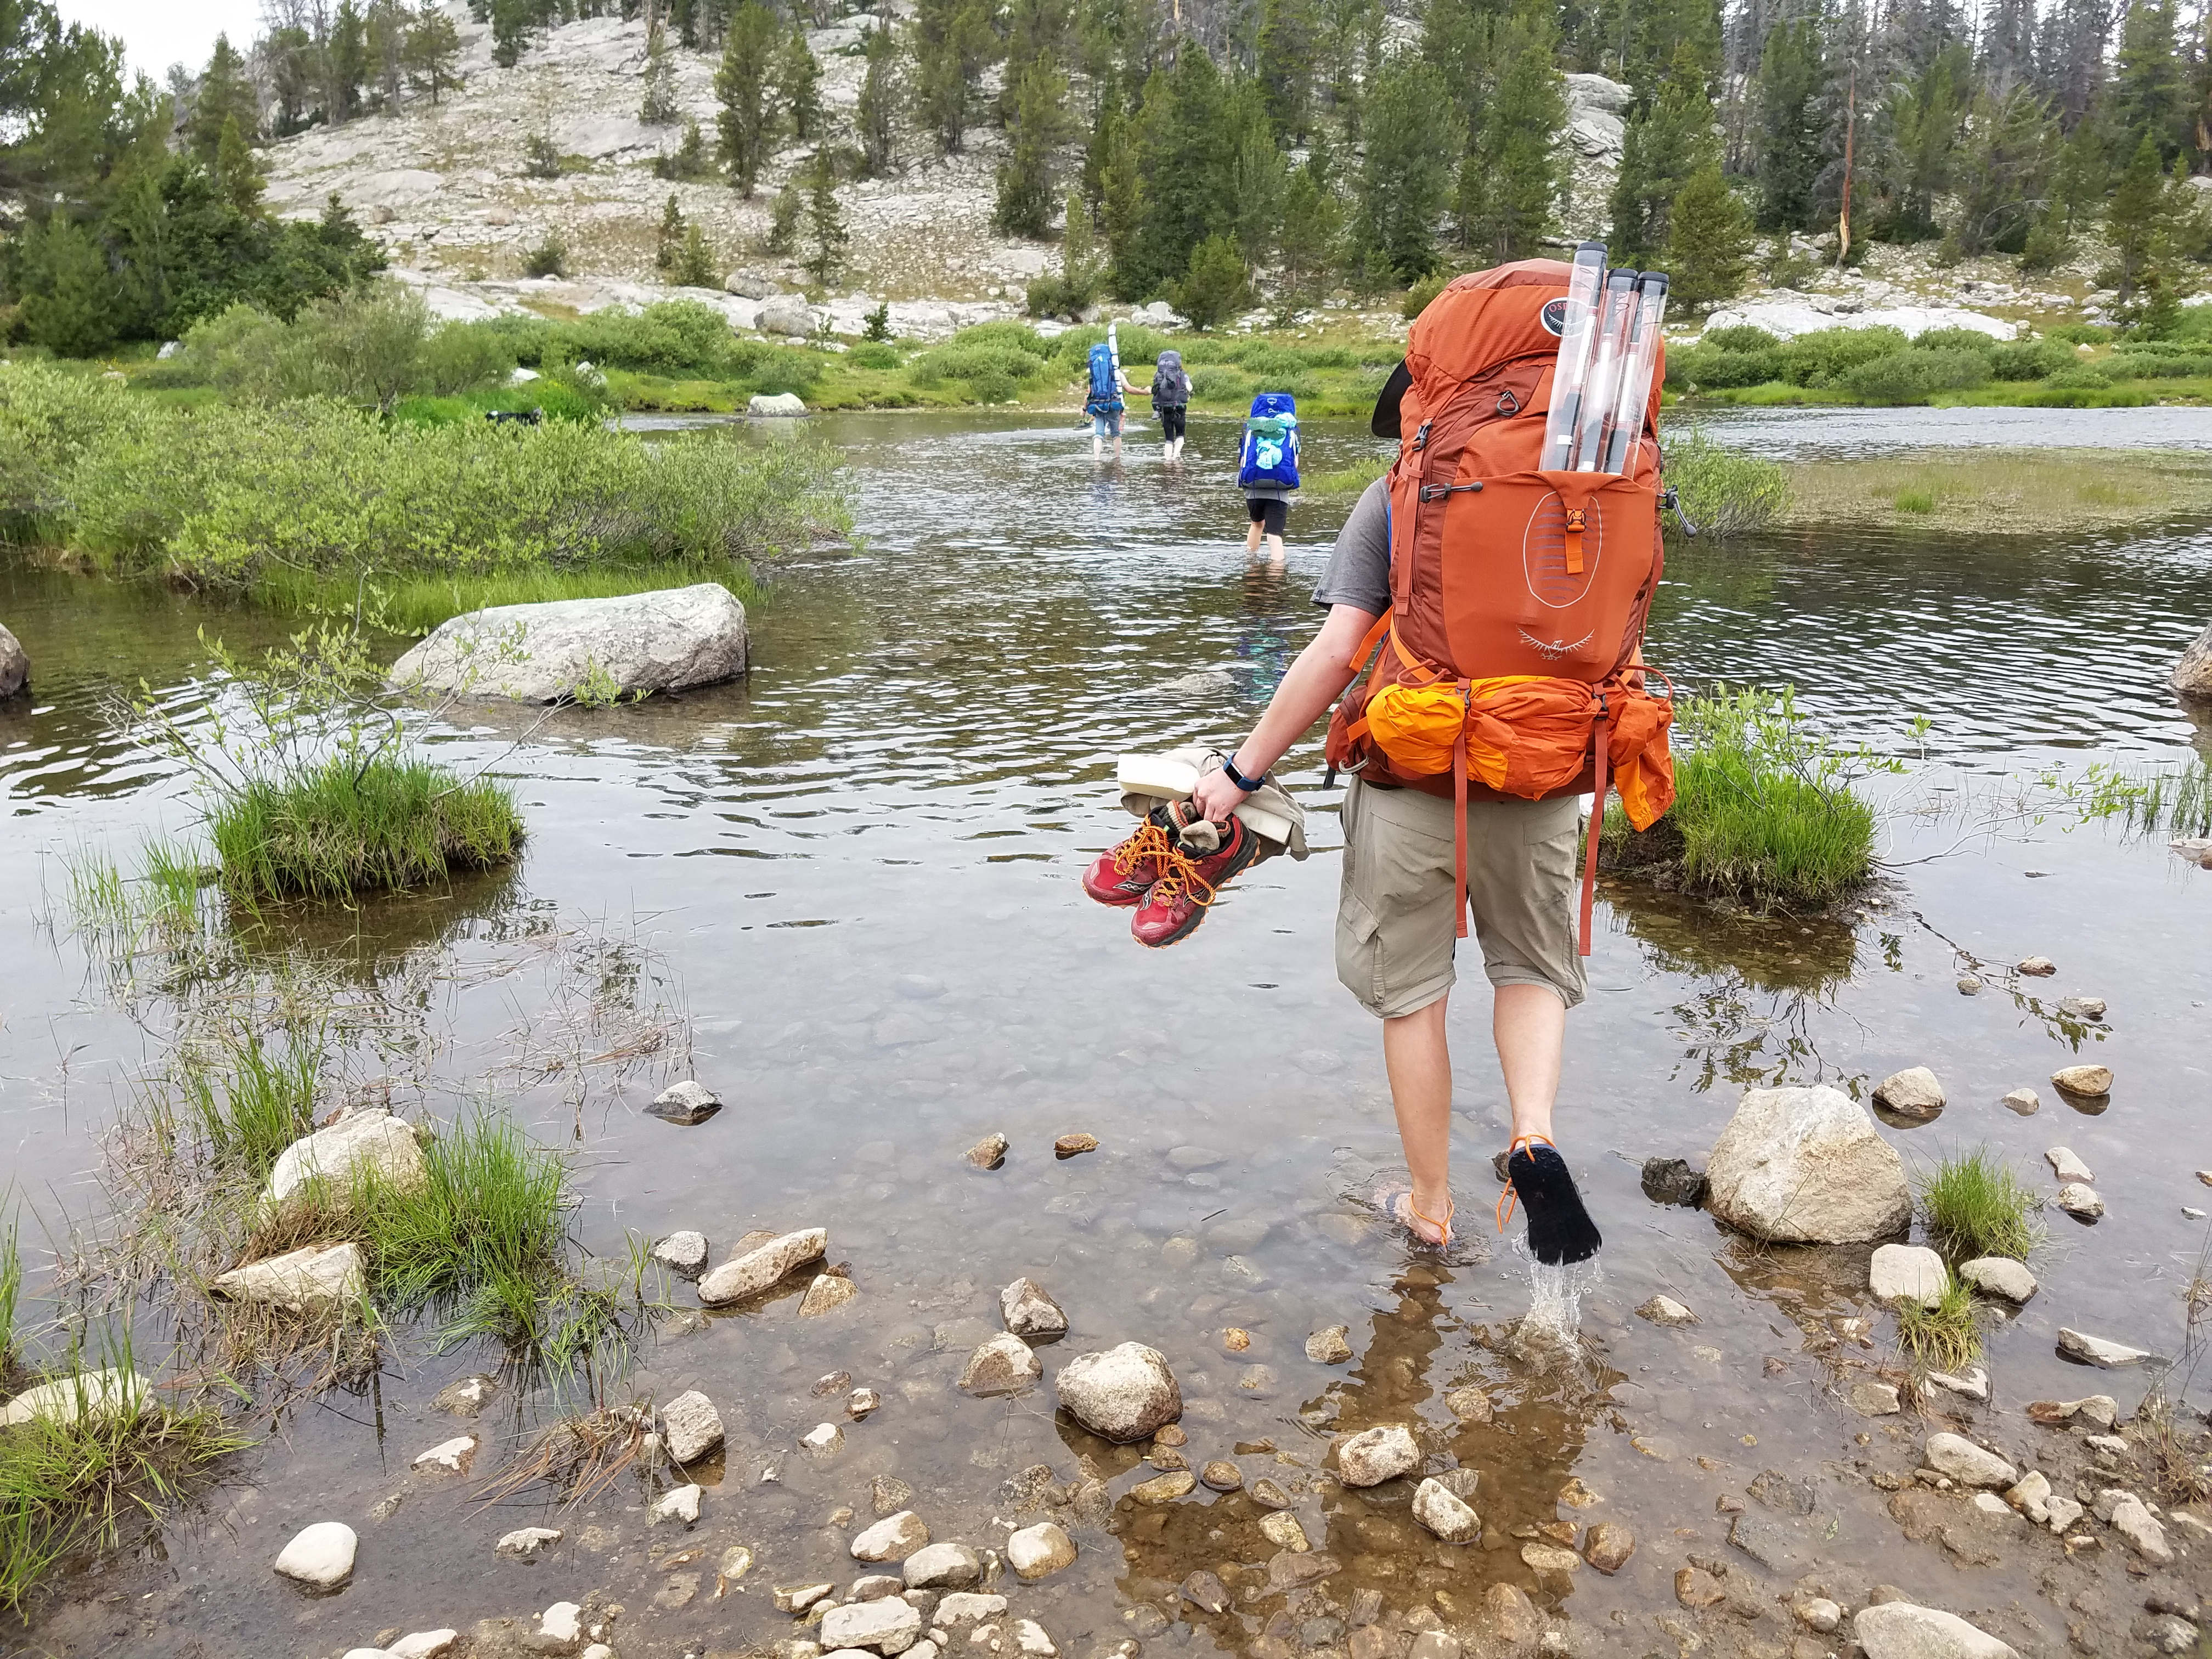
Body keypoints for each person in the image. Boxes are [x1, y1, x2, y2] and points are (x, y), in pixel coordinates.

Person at [1237, 393, 1299, 567]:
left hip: (1253, 485)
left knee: (1257, 524)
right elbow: (1295, 462)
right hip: (1280, 487)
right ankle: (1276, 576)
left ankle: (1251, 563)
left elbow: (1243, 461)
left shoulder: (1250, 428)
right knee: (1274, 534)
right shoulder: (1291, 430)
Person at [1151, 349, 1191, 461]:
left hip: (1164, 407)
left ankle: (1168, 459)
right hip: (1179, 407)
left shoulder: (1158, 375)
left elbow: (1154, 390)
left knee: (1168, 438)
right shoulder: (1182, 374)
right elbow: (1189, 388)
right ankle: (1176, 456)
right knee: (1180, 434)